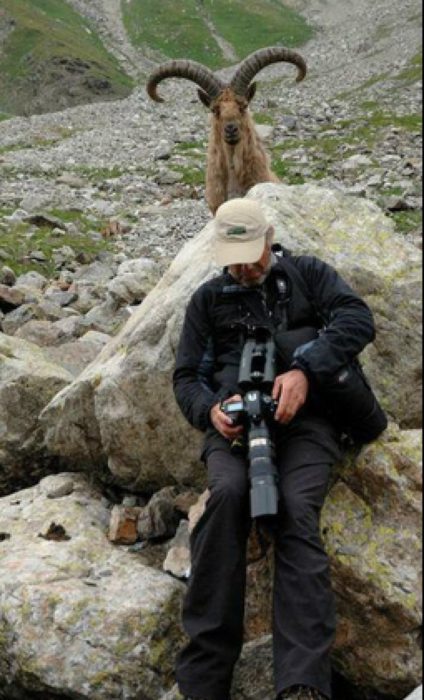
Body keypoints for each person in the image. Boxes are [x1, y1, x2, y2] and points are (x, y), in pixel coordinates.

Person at [172, 198, 376, 700]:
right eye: (233, 258)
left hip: (308, 424)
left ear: (270, 237)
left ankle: (302, 683)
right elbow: (185, 378)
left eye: (251, 254)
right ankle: (203, 682)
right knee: (226, 498)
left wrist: (305, 371)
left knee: (297, 510)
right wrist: (210, 413)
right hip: (234, 430)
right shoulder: (207, 301)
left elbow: (356, 319)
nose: (243, 267)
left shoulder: (307, 275)